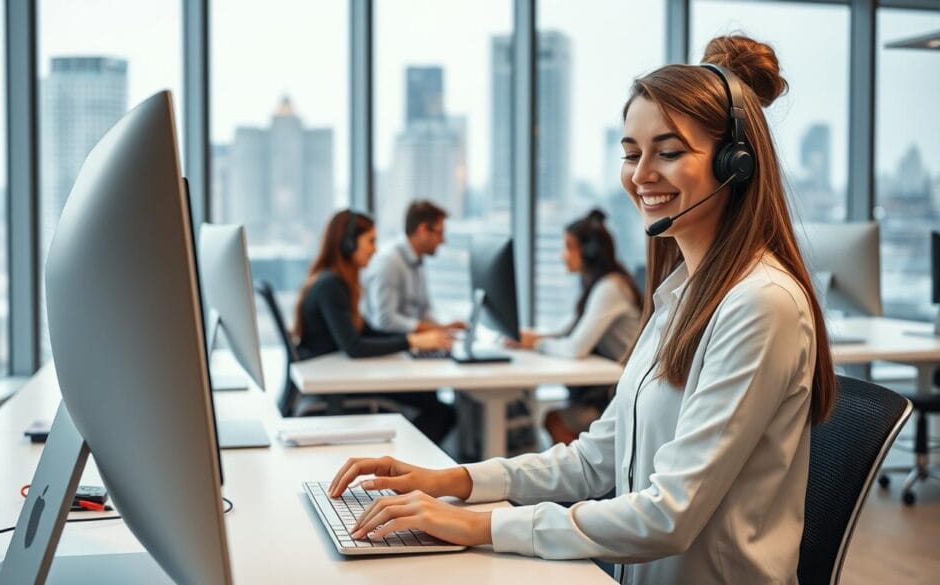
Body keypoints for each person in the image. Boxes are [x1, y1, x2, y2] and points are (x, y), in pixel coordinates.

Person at [326, 35, 837, 585]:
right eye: (630, 153)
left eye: (667, 152)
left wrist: (481, 526)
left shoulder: (760, 304)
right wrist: (451, 483)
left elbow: (669, 515)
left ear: (736, 164)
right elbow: (594, 459)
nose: (641, 174)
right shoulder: (680, 296)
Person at [294, 209, 457, 443]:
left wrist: (416, 339)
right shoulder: (330, 285)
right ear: (349, 244)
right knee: (440, 411)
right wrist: (412, 341)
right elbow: (354, 346)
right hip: (336, 388)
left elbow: (364, 332)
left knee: (431, 401)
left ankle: (411, 461)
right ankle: (409, 460)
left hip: (340, 376)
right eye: (370, 241)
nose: (375, 249)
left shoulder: (337, 281)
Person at [508, 208, 643, 444]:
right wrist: (531, 338)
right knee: (552, 417)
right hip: (609, 389)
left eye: (568, 247)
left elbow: (574, 349)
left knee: (554, 419)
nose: (563, 255)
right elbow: (567, 330)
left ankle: (586, 477)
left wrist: (538, 343)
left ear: (589, 252)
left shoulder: (610, 288)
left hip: (624, 396)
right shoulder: (596, 284)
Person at [361, 200, 465, 334]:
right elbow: (385, 321)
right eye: (440, 233)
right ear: (423, 230)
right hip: (389, 346)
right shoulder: (389, 261)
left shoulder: (418, 261)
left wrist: (445, 330)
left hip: (410, 342)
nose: (443, 240)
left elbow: (424, 311)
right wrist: (440, 329)